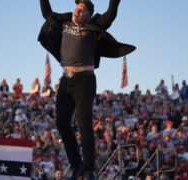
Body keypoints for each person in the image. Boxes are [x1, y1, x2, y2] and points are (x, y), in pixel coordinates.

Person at [38, 0, 135, 179]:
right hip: (66, 80)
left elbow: (110, 14)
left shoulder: (93, 26)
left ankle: (89, 168)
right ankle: (77, 165)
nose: (77, 11)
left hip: (85, 80)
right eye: (76, 8)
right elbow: (47, 14)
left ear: (88, 14)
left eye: (81, 9)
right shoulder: (64, 23)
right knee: (61, 123)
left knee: (84, 123)